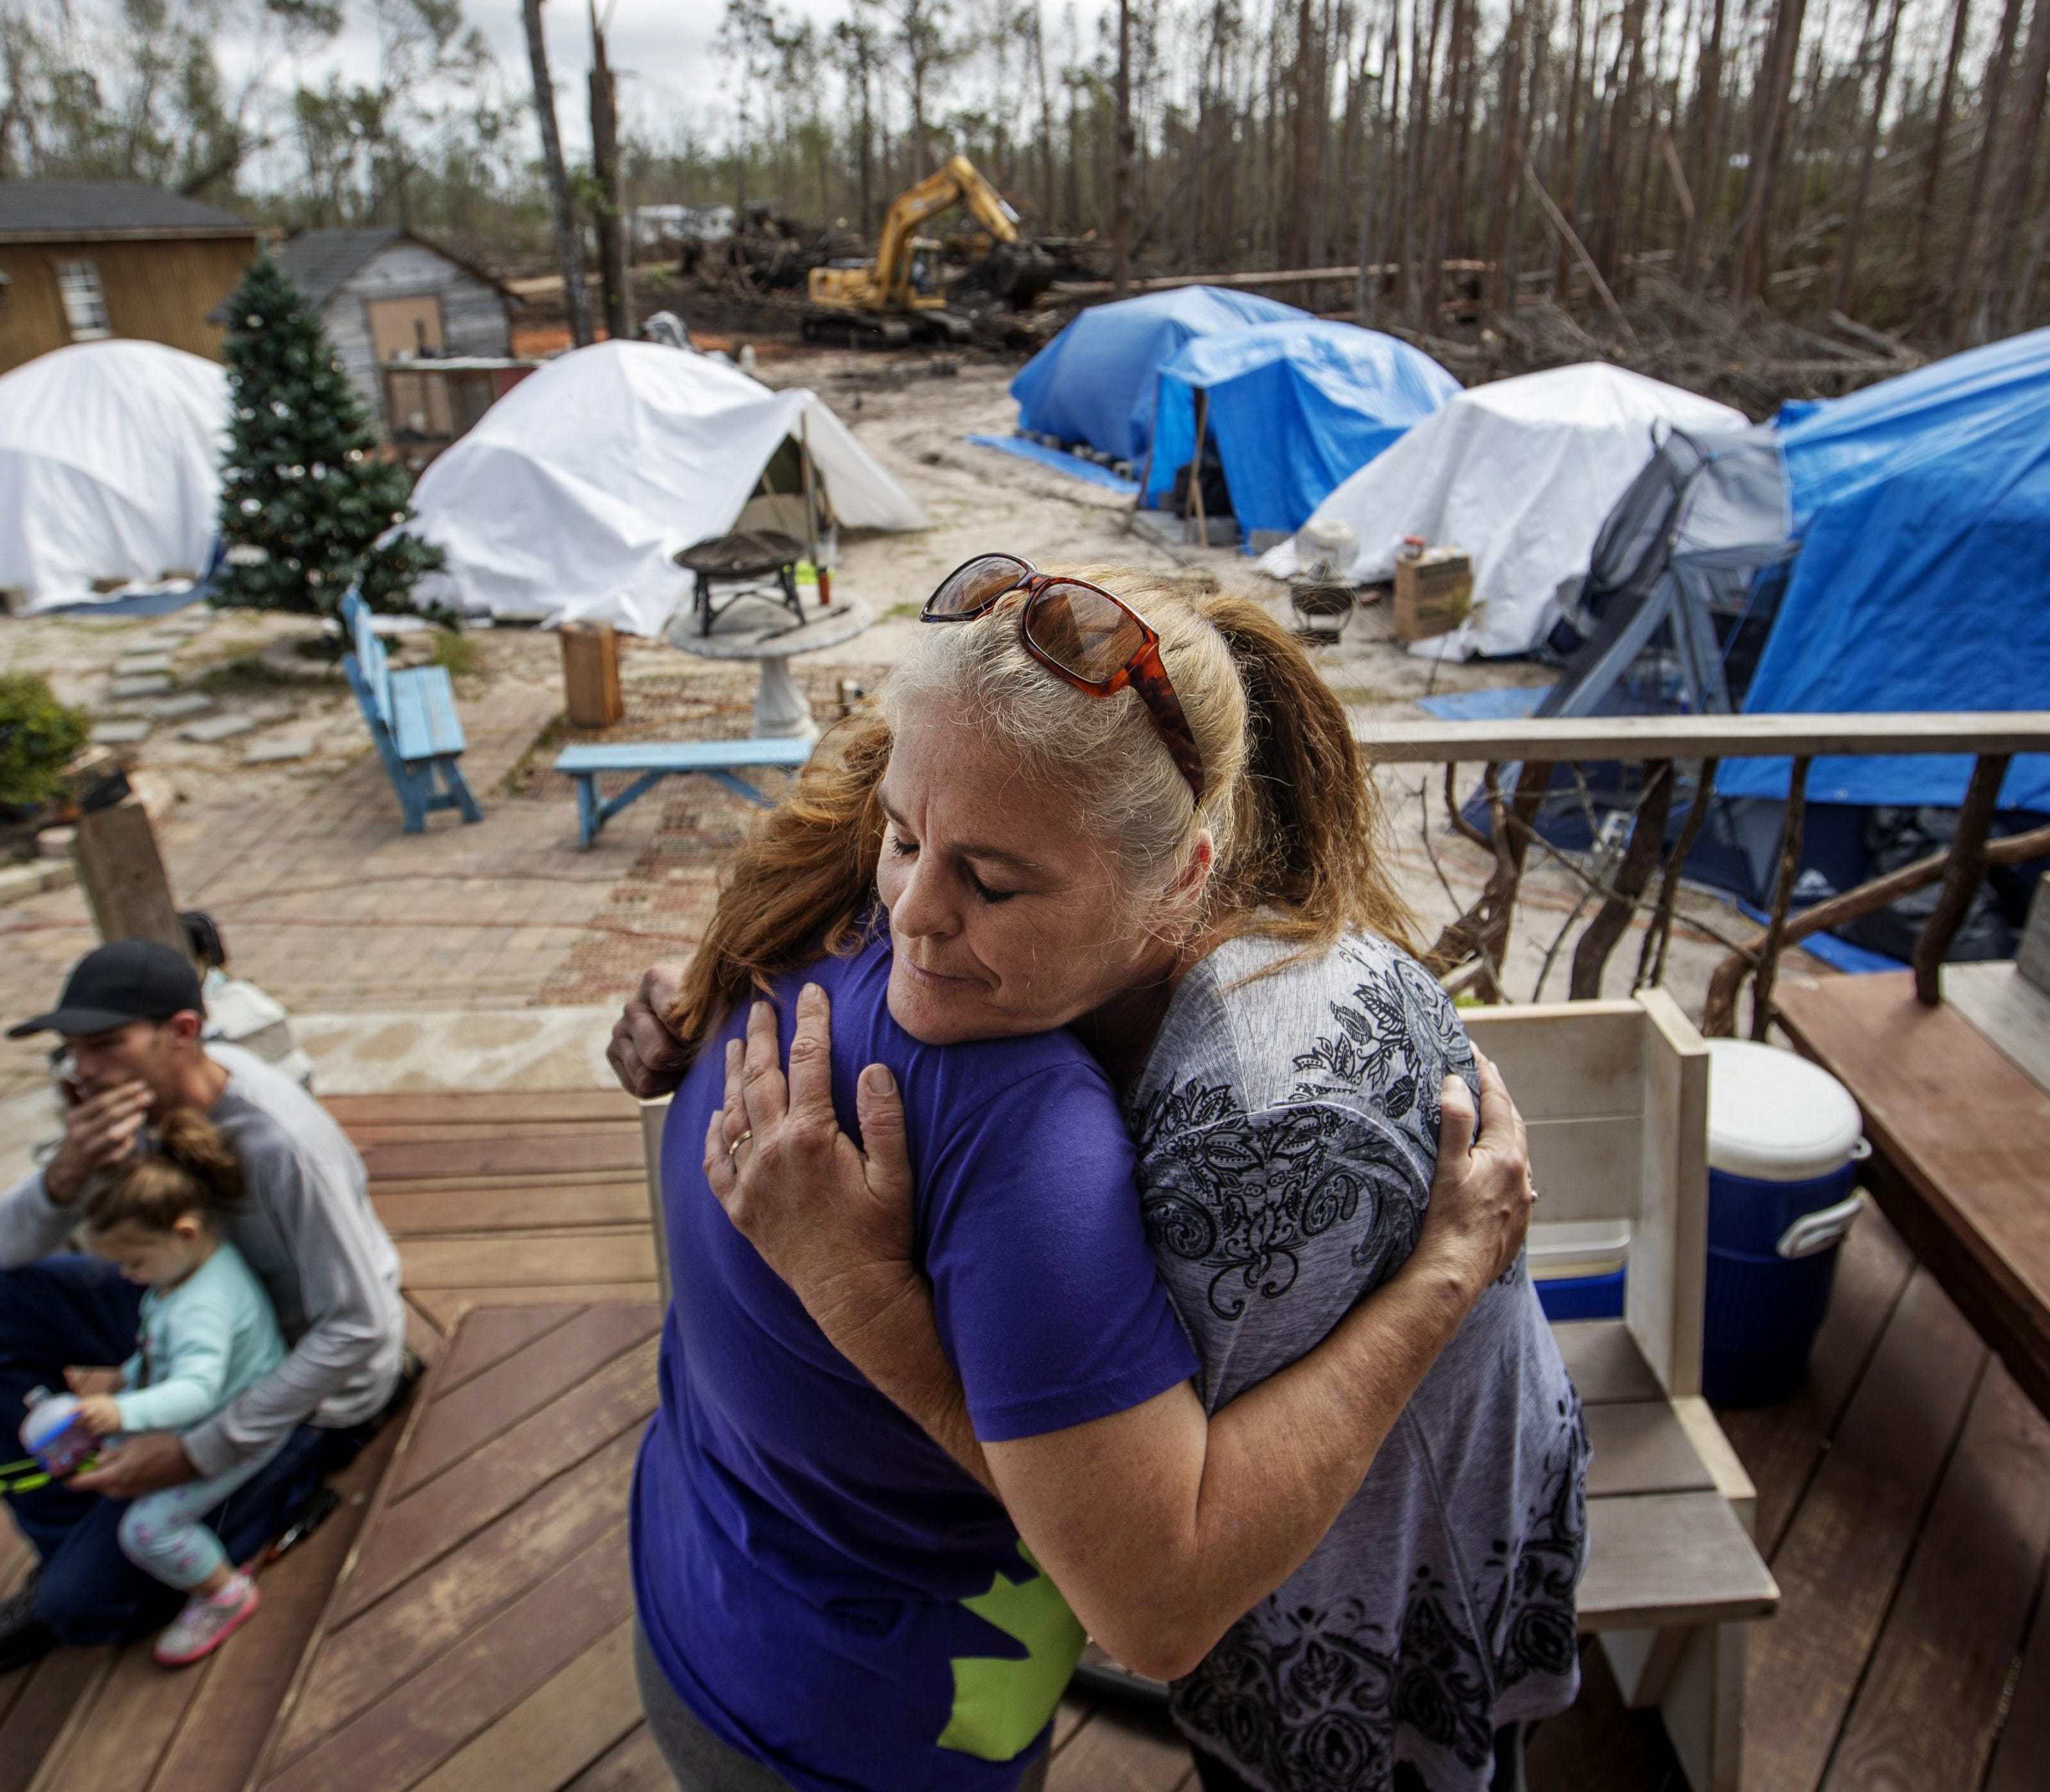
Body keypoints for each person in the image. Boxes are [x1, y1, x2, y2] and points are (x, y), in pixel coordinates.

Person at [611, 559, 1587, 1792]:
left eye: (989, 880)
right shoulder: (928, 989)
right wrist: (681, 1006)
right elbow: (1149, 1590)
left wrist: (1444, 1275)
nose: (910, 911)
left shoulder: (1201, 1109)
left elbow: (1153, 1596)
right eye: (904, 840)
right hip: (849, 1709)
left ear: (1184, 871)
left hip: (740, 1616)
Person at [0, 938, 408, 1676]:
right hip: (187, 1308)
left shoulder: (280, 1141)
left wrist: (197, 1448)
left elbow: (359, 1324)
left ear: (182, 1032)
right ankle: (70, 1536)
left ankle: (96, 1567)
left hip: (303, 1377)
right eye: (70, 1049)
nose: (81, 1068)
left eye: (102, 1045)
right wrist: (70, 1167)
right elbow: (14, 1247)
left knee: (80, 1610)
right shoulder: (129, 1100)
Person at [60, 1108, 289, 1666]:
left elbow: (197, 1393)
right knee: (106, 1464)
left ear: (184, 1233)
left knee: (146, 1531)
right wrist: (120, 1387)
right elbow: (156, 1348)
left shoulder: (201, 1306)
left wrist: (121, 1415)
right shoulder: (184, 1269)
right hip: (197, 1412)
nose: (128, 1276)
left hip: (237, 1428)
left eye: (135, 1262)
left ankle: (223, 1594)